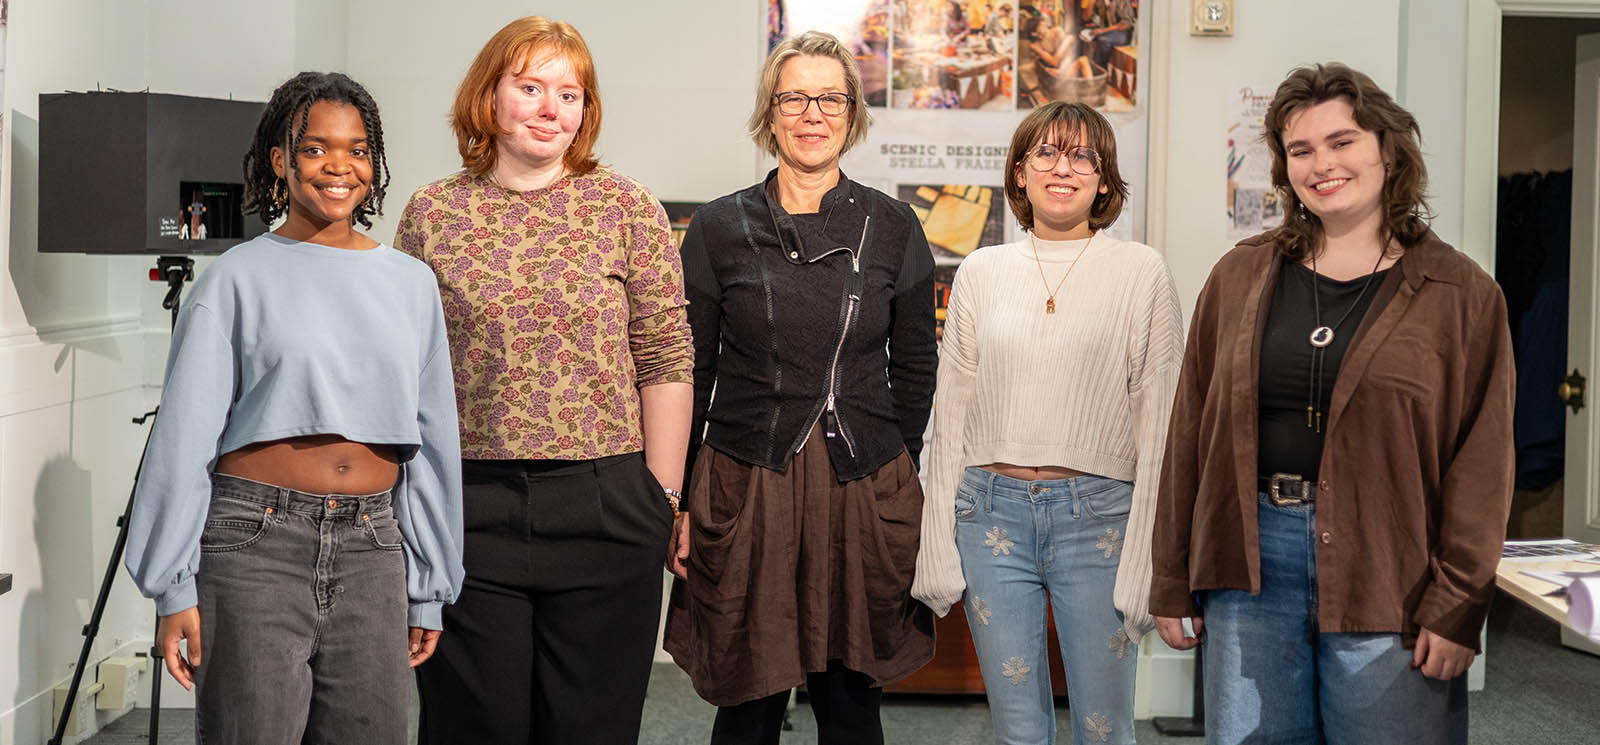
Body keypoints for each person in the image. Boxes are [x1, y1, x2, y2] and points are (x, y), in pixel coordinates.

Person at [1150, 62, 1514, 745]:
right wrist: (1172, 577)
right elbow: (1189, 437)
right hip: (1250, 568)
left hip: (1390, 568)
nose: (1322, 164)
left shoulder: (1461, 294)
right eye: (1300, 150)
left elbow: (1482, 464)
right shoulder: (1238, 277)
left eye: (1341, 141)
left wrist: (1459, 603)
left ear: (1386, 146)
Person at [124, 71, 464, 745]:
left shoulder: (412, 284)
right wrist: (173, 586)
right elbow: (185, 441)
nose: (340, 165)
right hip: (254, 545)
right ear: (280, 161)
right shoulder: (236, 279)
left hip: (373, 545)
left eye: (358, 148)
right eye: (316, 148)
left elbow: (431, 440)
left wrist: (429, 580)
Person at [394, 16, 694, 745]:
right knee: (476, 724)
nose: (551, 108)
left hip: (605, 502)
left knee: (590, 726)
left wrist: (662, 498)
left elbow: (665, 356)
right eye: (530, 87)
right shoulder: (434, 214)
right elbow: (402, 365)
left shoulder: (627, 207)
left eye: (570, 93)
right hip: (470, 507)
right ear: (489, 98)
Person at [662, 29, 938, 745]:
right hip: (747, 483)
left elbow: (915, 371)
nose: (812, 113)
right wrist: (678, 497)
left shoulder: (895, 226)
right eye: (794, 97)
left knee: (851, 703)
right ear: (770, 111)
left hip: (861, 487)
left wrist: (897, 479)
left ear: (851, 113)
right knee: (748, 699)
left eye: (829, 97)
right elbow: (691, 370)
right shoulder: (720, 229)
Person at [912, 101, 1181, 745]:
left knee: (1104, 725)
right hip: (989, 512)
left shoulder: (1142, 271)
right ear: (1021, 172)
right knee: (1017, 726)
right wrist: (936, 541)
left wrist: (1152, 558)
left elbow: (1162, 421)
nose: (1064, 169)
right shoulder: (981, 271)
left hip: (1100, 517)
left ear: (1105, 178)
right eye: (1046, 153)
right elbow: (949, 414)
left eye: (1082, 155)